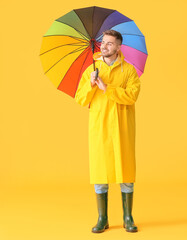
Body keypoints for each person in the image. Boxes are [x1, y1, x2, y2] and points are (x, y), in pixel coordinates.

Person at [75, 30, 141, 233]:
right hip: (100, 126)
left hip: (122, 126)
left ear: (119, 47)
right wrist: (91, 84)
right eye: (103, 42)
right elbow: (81, 99)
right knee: (100, 171)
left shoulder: (129, 71)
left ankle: (127, 217)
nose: (104, 46)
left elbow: (132, 96)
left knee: (126, 171)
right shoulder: (91, 70)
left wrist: (107, 87)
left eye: (110, 43)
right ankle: (102, 218)